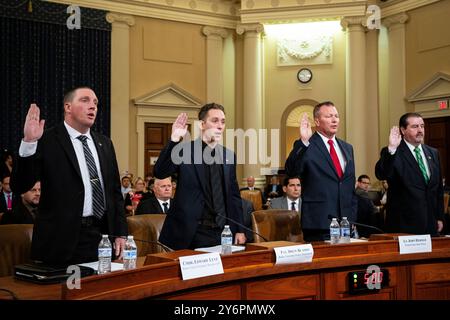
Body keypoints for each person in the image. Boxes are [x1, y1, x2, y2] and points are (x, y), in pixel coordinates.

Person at [11, 87, 127, 265]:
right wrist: (29, 142)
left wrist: (120, 233)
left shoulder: (105, 143)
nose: (93, 106)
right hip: (60, 241)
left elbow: (115, 193)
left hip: (101, 237)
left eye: (95, 103)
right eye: (85, 100)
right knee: (64, 292)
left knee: (100, 291)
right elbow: (19, 185)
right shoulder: (46, 139)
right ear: (68, 107)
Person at [154, 103, 246, 250]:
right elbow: (160, 172)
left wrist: (239, 229)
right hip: (192, 232)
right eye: (214, 121)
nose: (220, 126)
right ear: (202, 125)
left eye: (223, 122)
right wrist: (174, 139)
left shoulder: (228, 155)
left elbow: (234, 196)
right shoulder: (185, 150)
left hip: (223, 233)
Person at [285, 101, 357, 241]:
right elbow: (291, 170)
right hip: (319, 223)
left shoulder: (347, 148)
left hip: (346, 224)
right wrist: (304, 142)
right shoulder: (307, 144)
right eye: (329, 116)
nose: (335, 119)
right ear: (317, 121)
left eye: (336, 116)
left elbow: (349, 185)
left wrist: (352, 219)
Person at [375, 112, 444, 235]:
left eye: (422, 126)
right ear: (403, 130)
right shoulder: (393, 151)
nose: (420, 130)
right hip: (404, 226)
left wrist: (439, 217)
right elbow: (381, 174)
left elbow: (438, 189)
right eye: (415, 126)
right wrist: (392, 149)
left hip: (431, 224)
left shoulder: (433, 153)